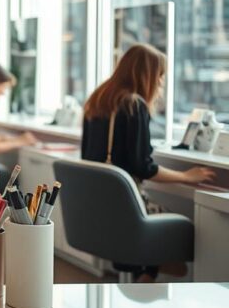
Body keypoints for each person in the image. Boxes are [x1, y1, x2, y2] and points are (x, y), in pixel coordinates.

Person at [81, 43, 214, 281]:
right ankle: (150, 270)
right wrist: (186, 176)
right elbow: (142, 166)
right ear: (147, 75)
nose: (161, 83)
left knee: (149, 244)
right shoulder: (134, 105)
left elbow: (87, 156)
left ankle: (146, 269)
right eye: (160, 76)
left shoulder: (97, 99)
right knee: (187, 229)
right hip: (125, 208)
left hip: (98, 205)